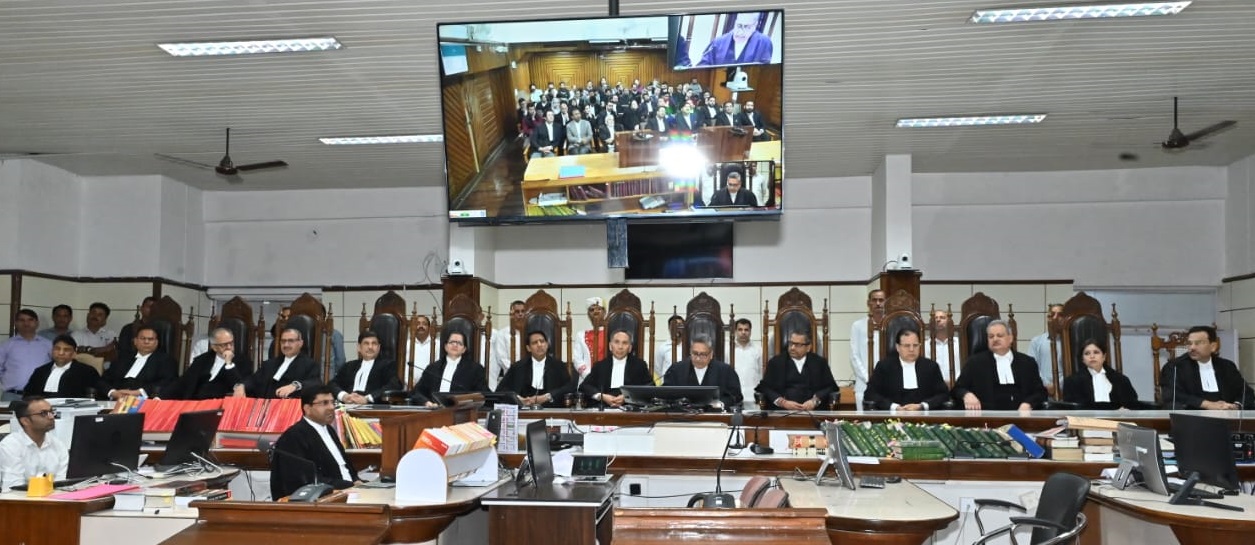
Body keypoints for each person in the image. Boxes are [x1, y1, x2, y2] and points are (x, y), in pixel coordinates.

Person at [269, 385, 360, 500]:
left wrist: (357, 481)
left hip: (349, 493)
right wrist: (349, 486)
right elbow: (304, 480)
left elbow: (345, 467)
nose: (331, 407)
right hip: (322, 499)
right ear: (307, 408)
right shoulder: (294, 436)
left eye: (333, 402)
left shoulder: (329, 430)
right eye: (324, 403)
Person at [952, 320, 1047, 411]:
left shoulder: (1027, 362)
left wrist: (1028, 403)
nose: (995, 339)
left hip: (1022, 416)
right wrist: (967, 395)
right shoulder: (974, 363)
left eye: (999, 335)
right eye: (991, 336)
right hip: (986, 416)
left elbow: (1040, 392)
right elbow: (957, 389)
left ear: (1010, 338)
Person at [1160, 325, 1254, 410]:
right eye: (1189, 343)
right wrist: (1208, 405)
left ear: (1213, 346)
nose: (1192, 347)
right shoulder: (1175, 367)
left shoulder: (1227, 366)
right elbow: (1171, 395)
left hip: (1228, 418)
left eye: (1198, 343)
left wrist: (1235, 406)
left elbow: (1246, 393)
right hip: (1192, 418)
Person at [865, 330, 950, 411]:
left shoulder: (931, 367)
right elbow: (870, 393)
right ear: (898, 347)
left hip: (924, 416)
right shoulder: (884, 367)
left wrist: (922, 406)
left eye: (915, 345)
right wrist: (894, 407)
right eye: (907, 346)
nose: (911, 349)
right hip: (892, 416)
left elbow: (943, 394)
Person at [0, 397, 69, 491]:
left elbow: (62, 485)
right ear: (25, 421)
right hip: (22, 499)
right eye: (43, 413)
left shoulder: (58, 445)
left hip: (53, 498)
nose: (51, 417)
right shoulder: (11, 445)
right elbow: (13, 489)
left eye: (51, 411)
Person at [758, 331, 837, 410]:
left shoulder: (819, 363)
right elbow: (765, 387)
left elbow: (831, 387)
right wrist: (783, 402)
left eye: (797, 345)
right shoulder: (776, 362)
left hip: (814, 412)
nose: (792, 347)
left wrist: (815, 401)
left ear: (808, 347)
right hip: (783, 412)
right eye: (791, 343)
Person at [164, 327, 251, 400]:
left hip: (220, 404)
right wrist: (160, 397)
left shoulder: (242, 361)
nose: (229, 347)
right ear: (214, 347)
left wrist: (229, 364)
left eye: (231, 343)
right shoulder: (202, 359)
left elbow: (240, 386)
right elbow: (183, 381)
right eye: (224, 345)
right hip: (194, 402)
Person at [496, 330, 575, 408]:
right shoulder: (518, 367)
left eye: (542, 341)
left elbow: (569, 388)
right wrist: (518, 399)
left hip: (551, 410)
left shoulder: (558, 366)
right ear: (528, 348)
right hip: (524, 411)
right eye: (534, 343)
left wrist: (548, 396)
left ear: (547, 345)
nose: (539, 345)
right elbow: (501, 390)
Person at [235, 328, 321, 399]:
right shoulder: (270, 364)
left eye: (290, 341)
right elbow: (253, 380)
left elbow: (315, 383)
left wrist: (295, 386)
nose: (286, 345)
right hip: (263, 407)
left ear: (300, 343)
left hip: (287, 409)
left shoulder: (310, 364)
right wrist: (242, 385)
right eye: (283, 341)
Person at [97, 325, 178, 400]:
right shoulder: (123, 358)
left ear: (156, 342)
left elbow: (167, 383)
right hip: (115, 399)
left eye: (150, 339)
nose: (146, 342)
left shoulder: (166, 360)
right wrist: (113, 393)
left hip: (144, 401)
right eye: (143, 338)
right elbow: (103, 380)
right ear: (135, 341)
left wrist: (139, 392)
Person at [410, 331, 487, 407]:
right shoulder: (432, 368)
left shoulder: (475, 369)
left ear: (464, 349)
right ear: (446, 347)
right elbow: (417, 392)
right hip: (434, 411)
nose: (455, 345)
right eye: (452, 342)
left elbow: (482, 395)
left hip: (461, 411)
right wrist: (426, 402)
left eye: (459, 343)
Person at [662, 336, 742, 408]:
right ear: (690, 352)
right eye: (695, 353)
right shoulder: (676, 370)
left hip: (715, 416)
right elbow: (665, 394)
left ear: (711, 354)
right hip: (683, 416)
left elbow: (736, 396)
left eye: (703, 354)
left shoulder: (725, 371)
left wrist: (721, 403)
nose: (698, 358)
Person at [579, 330, 652, 408]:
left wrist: (628, 396)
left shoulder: (640, 365)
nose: (620, 347)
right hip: (604, 408)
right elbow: (584, 387)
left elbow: (650, 387)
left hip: (630, 409)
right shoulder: (600, 366)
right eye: (617, 342)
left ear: (630, 348)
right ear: (610, 346)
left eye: (625, 343)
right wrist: (602, 396)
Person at [1062, 340, 1141, 410]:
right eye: (1087, 353)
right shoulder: (1072, 382)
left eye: (1096, 352)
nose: (1092, 356)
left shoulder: (1121, 380)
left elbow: (1132, 405)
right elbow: (1071, 409)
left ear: (1104, 356)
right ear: (1083, 359)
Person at [330, 331, 401, 405]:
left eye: (374, 343)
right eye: (366, 343)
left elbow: (394, 385)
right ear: (359, 347)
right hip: (347, 406)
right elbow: (332, 384)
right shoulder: (349, 366)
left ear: (379, 348)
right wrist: (344, 396)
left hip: (371, 407)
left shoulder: (387, 365)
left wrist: (367, 399)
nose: (370, 347)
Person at [0, 309, 54, 401]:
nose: (26, 323)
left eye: (30, 320)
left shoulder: (49, 345)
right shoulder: (6, 345)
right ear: (16, 323)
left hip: (39, 396)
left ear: (37, 323)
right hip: (11, 395)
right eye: (22, 320)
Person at [24, 335, 101, 398]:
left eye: (66, 350)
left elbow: (97, 395)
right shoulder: (40, 371)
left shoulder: (87, 371)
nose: (61, 353)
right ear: (52, 351)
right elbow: (27, 395)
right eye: (57, 349)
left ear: (74, 353)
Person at [848, 290, 886, 407]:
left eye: (881, 300)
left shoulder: (892, 324)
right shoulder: (858, 326)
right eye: (874, 300)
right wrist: (868, 378)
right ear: (868, 303)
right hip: (864, 384)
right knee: (864, 418)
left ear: (886, 302)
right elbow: (854, 355)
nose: (878, 303)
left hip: (888, 384)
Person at [697, 12, 774, 67]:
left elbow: (764, 72)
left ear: (755, 25)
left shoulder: (764, 43)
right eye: (739, 25)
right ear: (735, 21)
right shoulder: (718, 42)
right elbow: (702, 67)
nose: (740, 32)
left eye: (747, 27)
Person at [71, 302, 117, 373]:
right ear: (87, 315)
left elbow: (113, 356)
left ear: (105, 320)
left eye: (100, 315)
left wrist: (87, 352)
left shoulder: (111, 335)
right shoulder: (76, 335)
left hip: (105, 374)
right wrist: (104, 350)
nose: (95, 316)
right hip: (81, 373)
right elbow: (75, 355)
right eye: (93, 313)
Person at [490, 301, 526, 390]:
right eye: (517, 312)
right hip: (511, 376)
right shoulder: (502, 333)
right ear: (510, 314)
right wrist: (517, 370)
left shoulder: (531, 332)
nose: (520, 314)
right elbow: (501, 358)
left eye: (523, 311)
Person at [1027, 303, 1064, 393]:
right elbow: (1032, 368)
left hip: (1065, 390)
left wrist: (1059, 385)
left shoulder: (1070, 342)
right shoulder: (1036, 341)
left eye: (1060, 315)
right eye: (1052, 315)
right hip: (1041, 390)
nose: (1055, 318)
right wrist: (1046, 385)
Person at [730, 318, 762, 410]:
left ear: (750, 331)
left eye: (746, 330)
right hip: (733, 397)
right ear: (735, 331)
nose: (743, 332)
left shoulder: (758, 350)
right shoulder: (728, 349)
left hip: (753, 397)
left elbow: (762, 373)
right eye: (740, 329)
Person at [572, 297, 607, 381]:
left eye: (599, 309)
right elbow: (577, 360)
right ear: (588, 314)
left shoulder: (612, 333)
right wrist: (589, 376)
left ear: (604, 312)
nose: (595, 312)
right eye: (592, 310)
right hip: (586, 380)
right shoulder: (581, 335)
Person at [115, 296, 156, 365]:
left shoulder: (161, 329)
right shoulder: (128, 328)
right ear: (141, 309)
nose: (152, 310)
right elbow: (123, 351)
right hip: (130, 363)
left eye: (154, 308)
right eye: (149, 307)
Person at [927, 309, 960, 384]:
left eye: (942, 317)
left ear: (949, 322)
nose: (938, 320)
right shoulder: (925, 345)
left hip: (957, 385)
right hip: (932, 387)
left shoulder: (959, 343)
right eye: (935, 318)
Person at [653, 315, 685, 379]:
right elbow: (658, 368)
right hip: (667, 382)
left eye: (679, 325)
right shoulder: (663, 347)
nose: (677, 328)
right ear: (669, 328)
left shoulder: (688, 347)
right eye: (673, 326)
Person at [409, 315, 435, 388]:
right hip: (409, 386)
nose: (421, 326)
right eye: (417, 324)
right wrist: (408, 382)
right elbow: (403, 367)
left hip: (431, 387)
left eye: (424, 324)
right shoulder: (407, 344)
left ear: (429, 328)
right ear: (412, 327)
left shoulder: (437, 344)